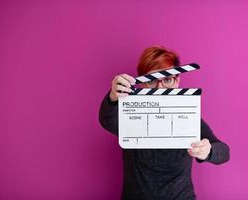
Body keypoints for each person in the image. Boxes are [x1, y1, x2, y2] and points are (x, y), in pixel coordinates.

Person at [99, 46, 230, 200]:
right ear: (141, 84)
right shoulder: (130, 113)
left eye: (167, 80)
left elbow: (224, 153)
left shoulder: (188, 117)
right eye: (152, 81)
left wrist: (209, 151)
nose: (160, 88)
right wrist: (113, 96)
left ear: (177, 81)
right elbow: (108, 120)